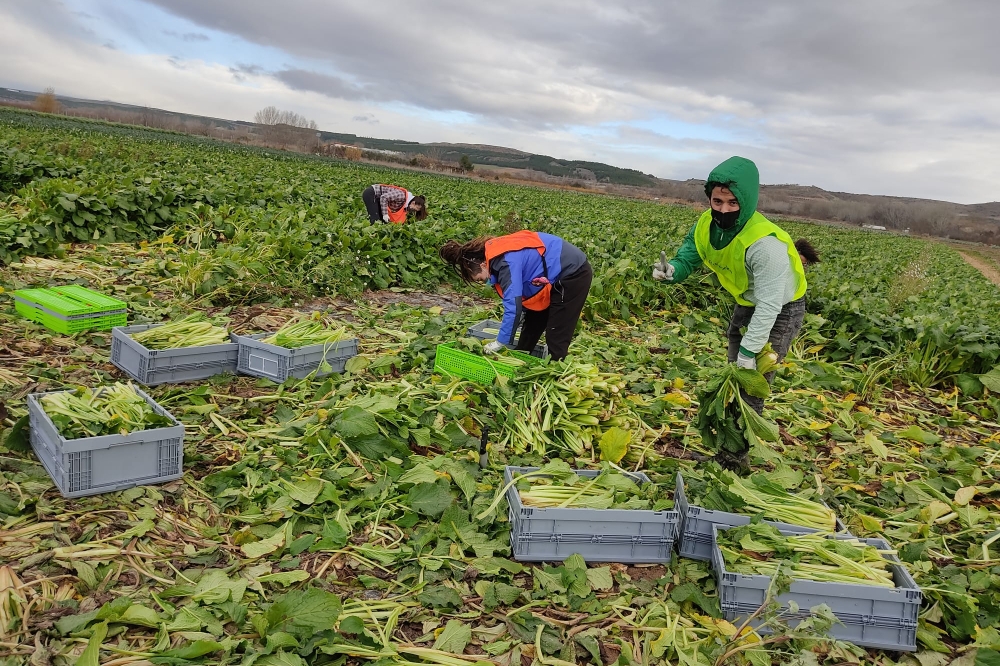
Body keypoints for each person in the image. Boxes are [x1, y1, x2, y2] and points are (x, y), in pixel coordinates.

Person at [653, 156, 807, 462]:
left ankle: (736, 459)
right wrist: (673, 271)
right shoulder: (706, 225)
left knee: (750, 382)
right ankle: (729, 450)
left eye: (733, 202)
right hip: (747, 303)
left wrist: (750, 354)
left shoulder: (765, 244)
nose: (723, 209)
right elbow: (689, 256)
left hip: (779, 309)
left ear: (747, 200)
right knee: (732, 373)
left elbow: (771, 304)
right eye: (717, 201)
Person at [439, 231, 592, 361]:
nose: (484, 282)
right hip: (549, 277)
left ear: (482, 265)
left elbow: (513, 306)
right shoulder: (494, 256)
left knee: (556, 331)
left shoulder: (506, 262)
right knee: (532, 323)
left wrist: (500, 342)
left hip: (573, 273)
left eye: (480, 278)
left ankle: (556, 371)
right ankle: (521, 359)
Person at [362, 184, 427, 223]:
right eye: (416, 209)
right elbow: (383, 197)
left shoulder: (406, 204)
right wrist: (385, 214)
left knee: (381, 219)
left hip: (378, 199)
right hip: (372, 193)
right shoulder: (402, 195)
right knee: (375, 218)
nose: (414, 211)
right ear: (413, 203)